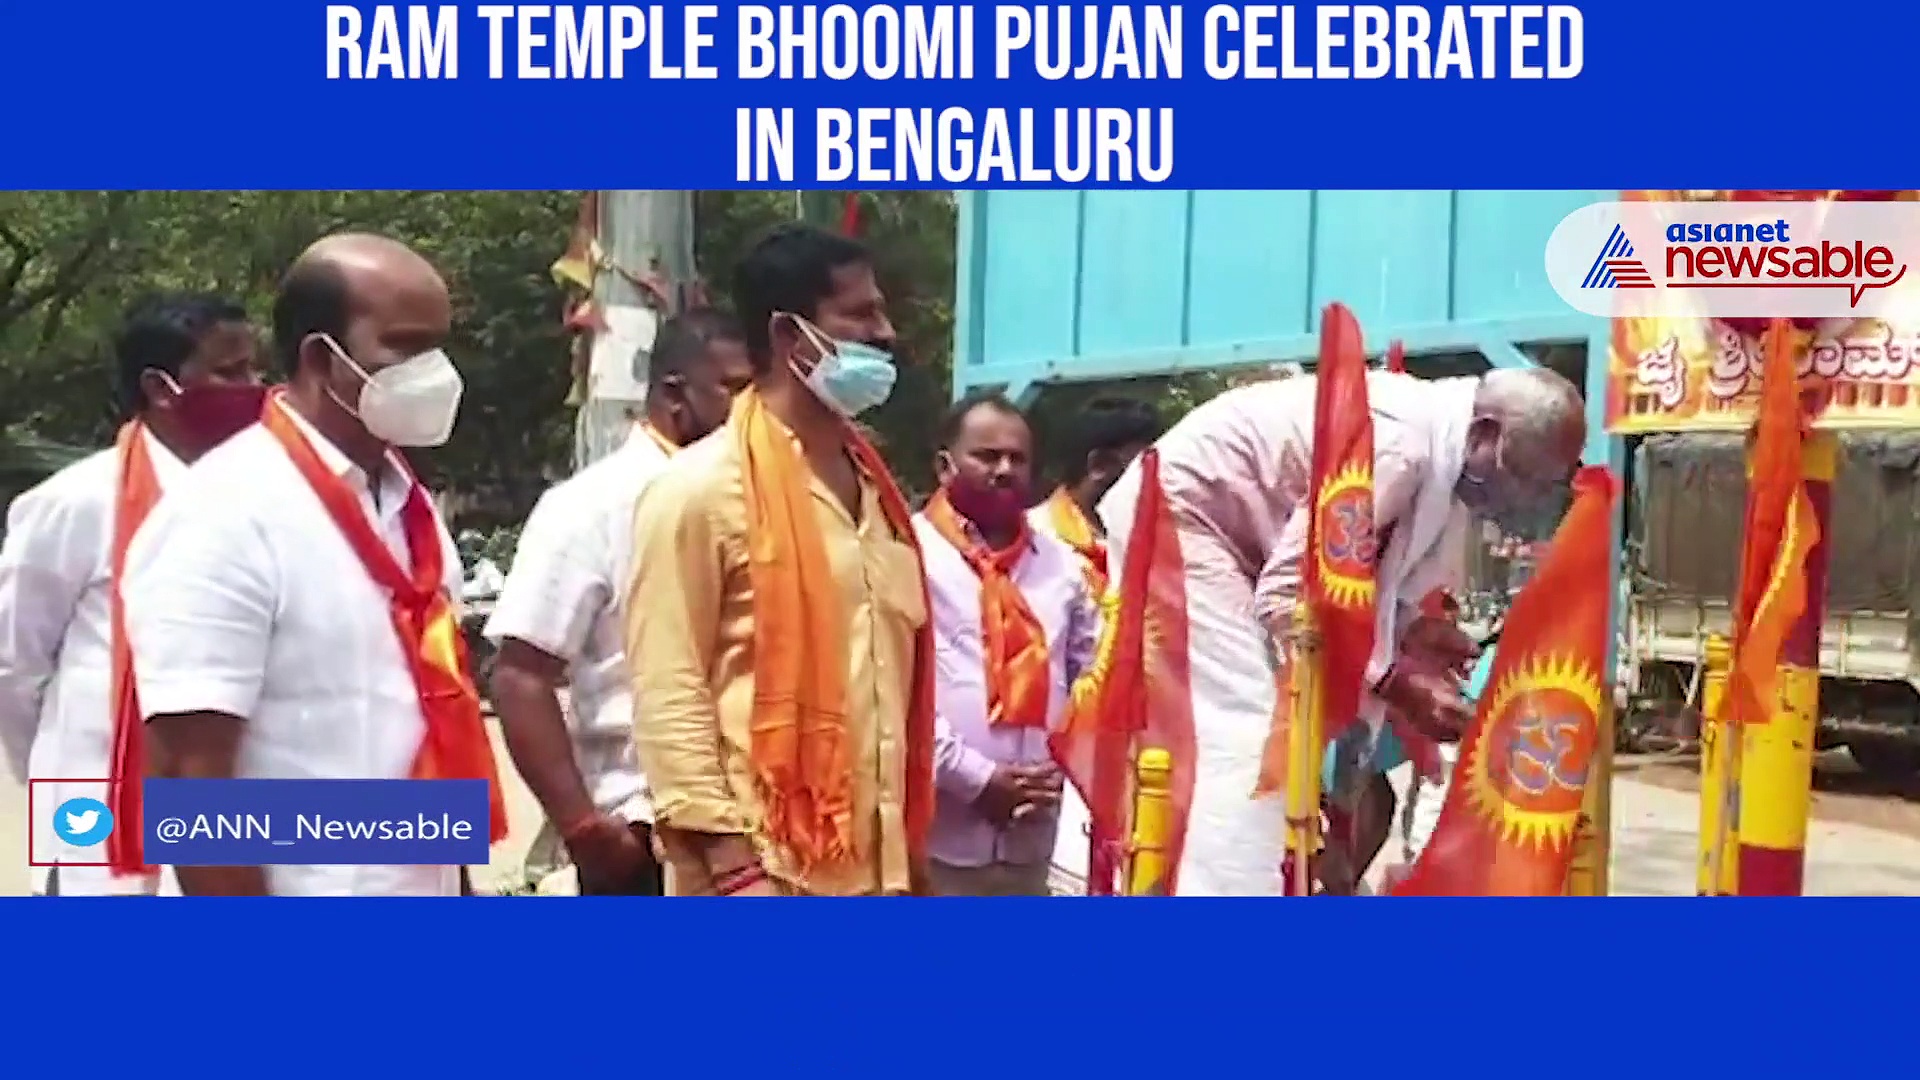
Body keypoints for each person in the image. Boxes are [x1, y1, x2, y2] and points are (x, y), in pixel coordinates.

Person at [1096, 365, 1586, 895]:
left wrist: (1410, 629)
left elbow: (1353, 591)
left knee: (1291, 727)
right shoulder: (1401, 450)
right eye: (1521, 477)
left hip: (1248, 542)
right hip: (1185, 517)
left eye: (1542, 488)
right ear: (1486, 432)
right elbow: (1290, 596)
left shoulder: (1440, 449)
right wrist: (1395, 680)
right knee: (1252, 727)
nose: (1520, 500)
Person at [120, 233, 505, 896]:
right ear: (321, 359)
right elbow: (189, 782)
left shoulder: (410, 507)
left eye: (440, 344)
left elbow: (427, 723)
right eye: (407, 345)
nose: (436, 370)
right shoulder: (225, 513)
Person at [627, 223, 933, 897]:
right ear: (790, 337)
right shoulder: (702, 490)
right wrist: (735, 869)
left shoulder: (879, 495)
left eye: (881, 312)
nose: (885, 334)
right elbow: (667, 688)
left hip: (876, 873)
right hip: (761, 875)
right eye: (859, 315)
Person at [0, 293, 262, 896]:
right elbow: (16, 666)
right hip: (102, 820)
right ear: (161, 386)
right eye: (230, 372)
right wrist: (62, 769)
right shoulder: (77, 502)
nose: (254, 388)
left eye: (255, 369)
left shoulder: (265, 498)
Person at [485, 309, 752, 896]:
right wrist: (585, 829)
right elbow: (521, 676)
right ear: (674, 395)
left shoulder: (756, 499)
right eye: (735, 390)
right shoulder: (593, 505)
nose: (754, 411)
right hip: (644, 837)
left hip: (759, 829)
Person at [917, 392, 1098, 896]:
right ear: (944, 465)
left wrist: (1063, 770)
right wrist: (976, 778)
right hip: (936, 836)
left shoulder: (1064, 565)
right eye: (987, 455)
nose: (1004, 469)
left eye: (1017, 458)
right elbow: (888, 688)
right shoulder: (906, 555)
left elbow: (1093, 678)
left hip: (1036, 838)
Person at [1030, 396, 1163, 601]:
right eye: (1146, 467)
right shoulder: (1034, 540)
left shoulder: (1153, 540)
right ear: (1100, 465)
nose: (1158, 478)